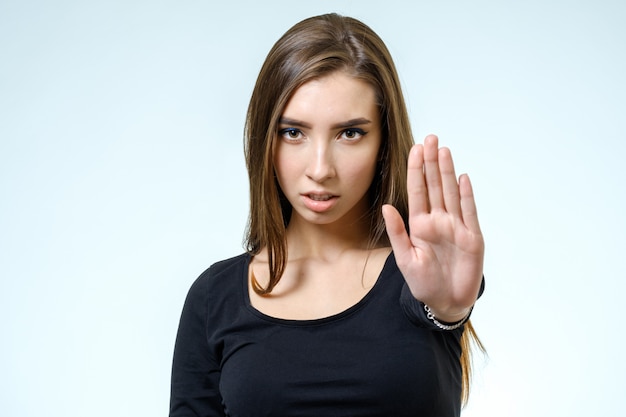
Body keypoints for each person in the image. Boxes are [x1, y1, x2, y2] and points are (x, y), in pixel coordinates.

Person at [170, 13, 485, 417]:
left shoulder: (423, 276)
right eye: (293, 132)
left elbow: (441, 311)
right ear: (265, 139)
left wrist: (451, 314)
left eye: (350, 133)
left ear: (384, 142)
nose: (320, 168)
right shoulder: (215, 298)